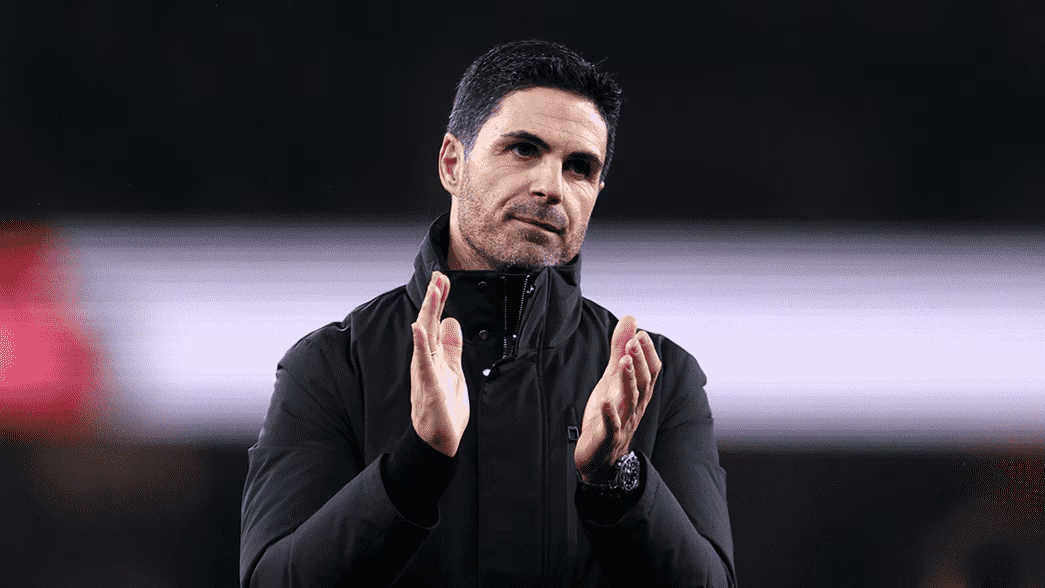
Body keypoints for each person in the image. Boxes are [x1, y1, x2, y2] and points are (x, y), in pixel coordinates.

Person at [240, 39, 735, 587]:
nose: (551, 187)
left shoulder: (660, 377)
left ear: (597, 190)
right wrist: (416, 464)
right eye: (523, 149)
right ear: (452, 164)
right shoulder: (333, 365)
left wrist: (615, 479)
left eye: (579, 167)